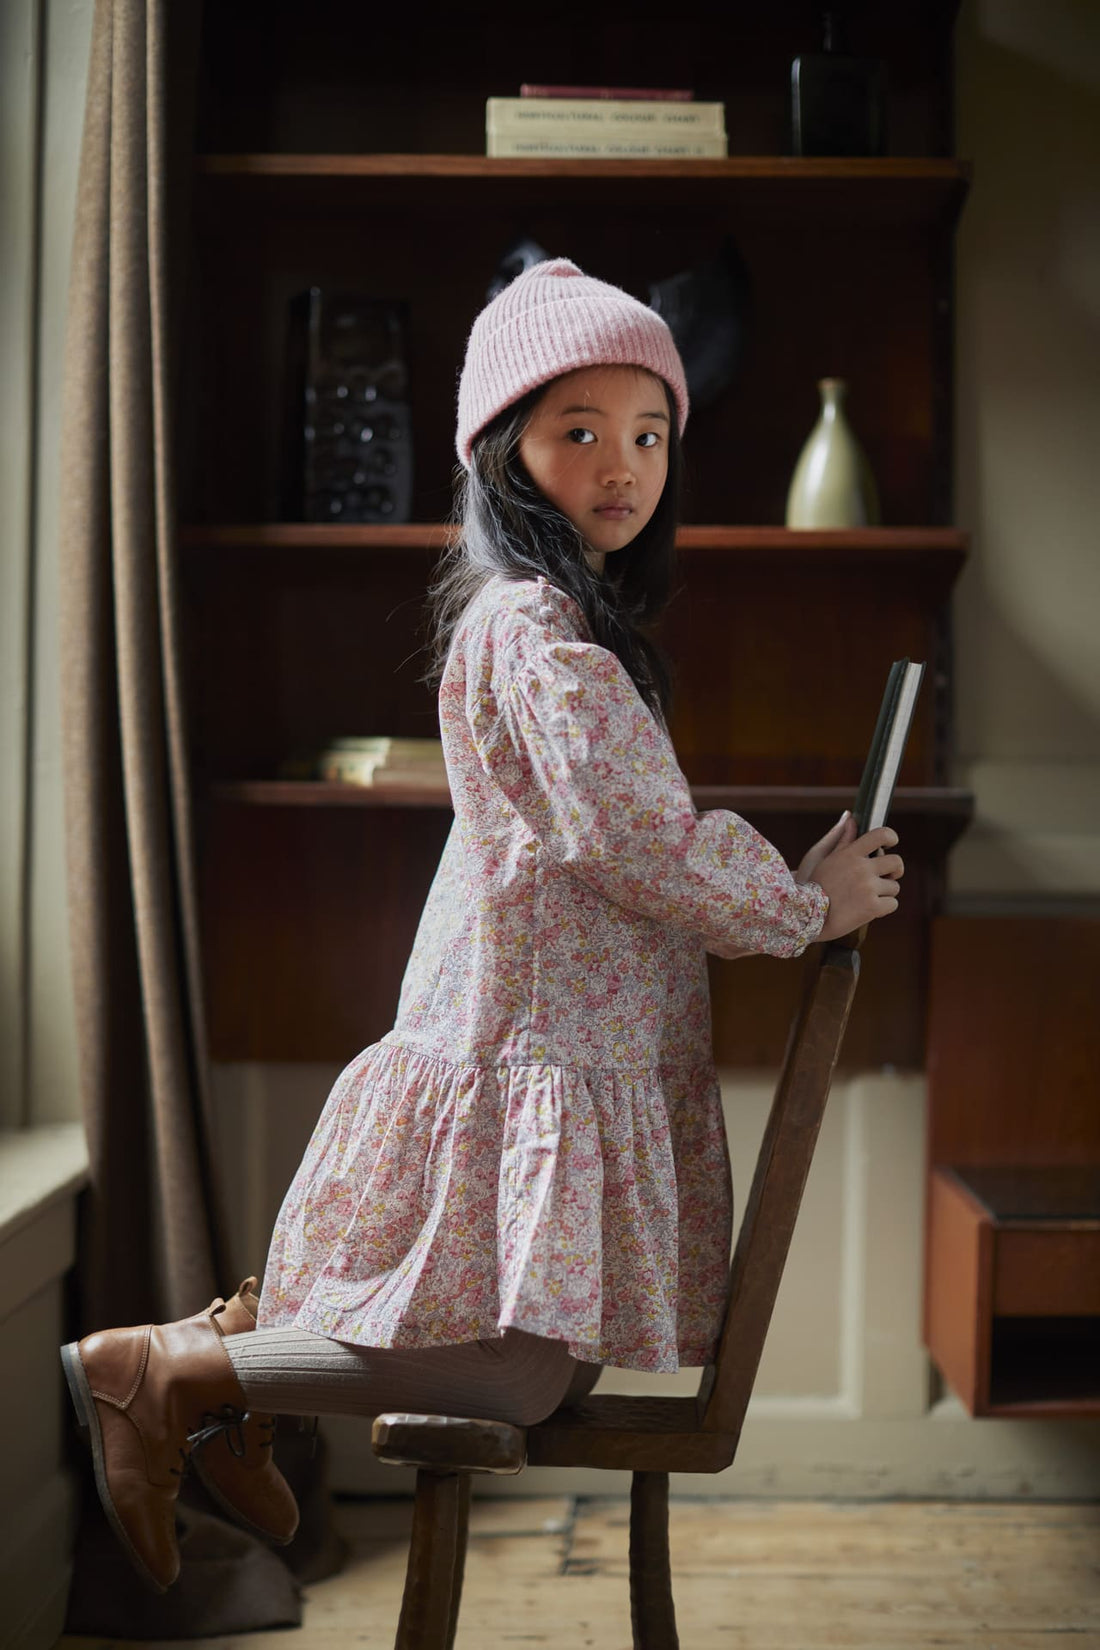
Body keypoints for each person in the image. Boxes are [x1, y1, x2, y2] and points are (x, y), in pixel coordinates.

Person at [61, 258, 904, 1593]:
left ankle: (238, 1362)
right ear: (504, 452)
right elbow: (633, 838)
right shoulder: (533, 631)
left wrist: (791, 890)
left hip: (550, 1042)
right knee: (518, 1374)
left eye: (651, 434)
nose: (623, 465)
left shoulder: (568, 626)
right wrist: (802, 906)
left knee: (548, 1361)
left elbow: (631, 828)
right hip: (524, 1043)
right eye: (581, 431)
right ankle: (175, 1371)